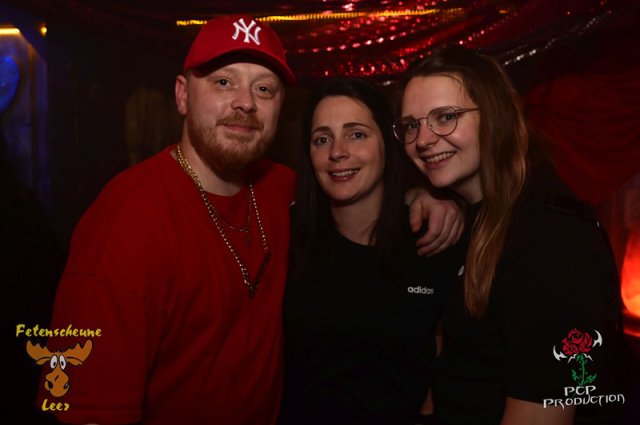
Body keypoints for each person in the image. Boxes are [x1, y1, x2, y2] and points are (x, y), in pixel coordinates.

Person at [35, 15, 460, 425]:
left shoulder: (281, 190)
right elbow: (82, 409)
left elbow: (354, 184)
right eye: (223, 82)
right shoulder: (124, 224)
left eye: (264, 88)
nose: (245, 102)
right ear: (182, 95)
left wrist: (423, 195)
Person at [396, 45, 622, 424]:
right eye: (411, 125)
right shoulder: (474, 214)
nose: (422, 140)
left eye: (446, 117)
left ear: (496, 115)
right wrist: (418, 194)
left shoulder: (551, 238)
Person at [278, 78, 466, 425]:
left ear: (388, 145)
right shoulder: (286, 236)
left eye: (357, 134)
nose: (337, 152)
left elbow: (449, 354)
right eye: (322, 139)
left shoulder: (433, 237)